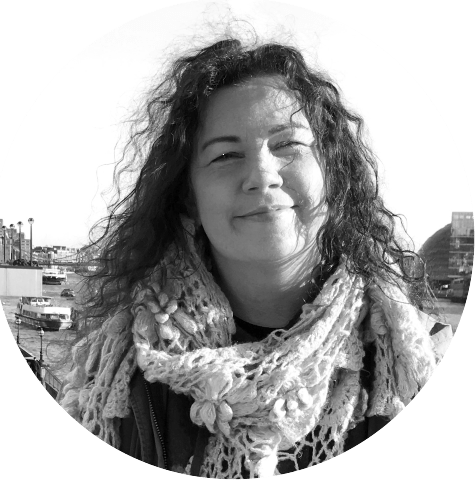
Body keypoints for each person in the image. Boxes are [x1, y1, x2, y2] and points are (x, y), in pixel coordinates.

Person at [59, 38, 452, 478]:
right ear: (188, 198)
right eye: (226, 155)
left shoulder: (427, 360)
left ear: (333, 174)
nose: (262, 176)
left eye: (288, 144)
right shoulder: (118, 371)